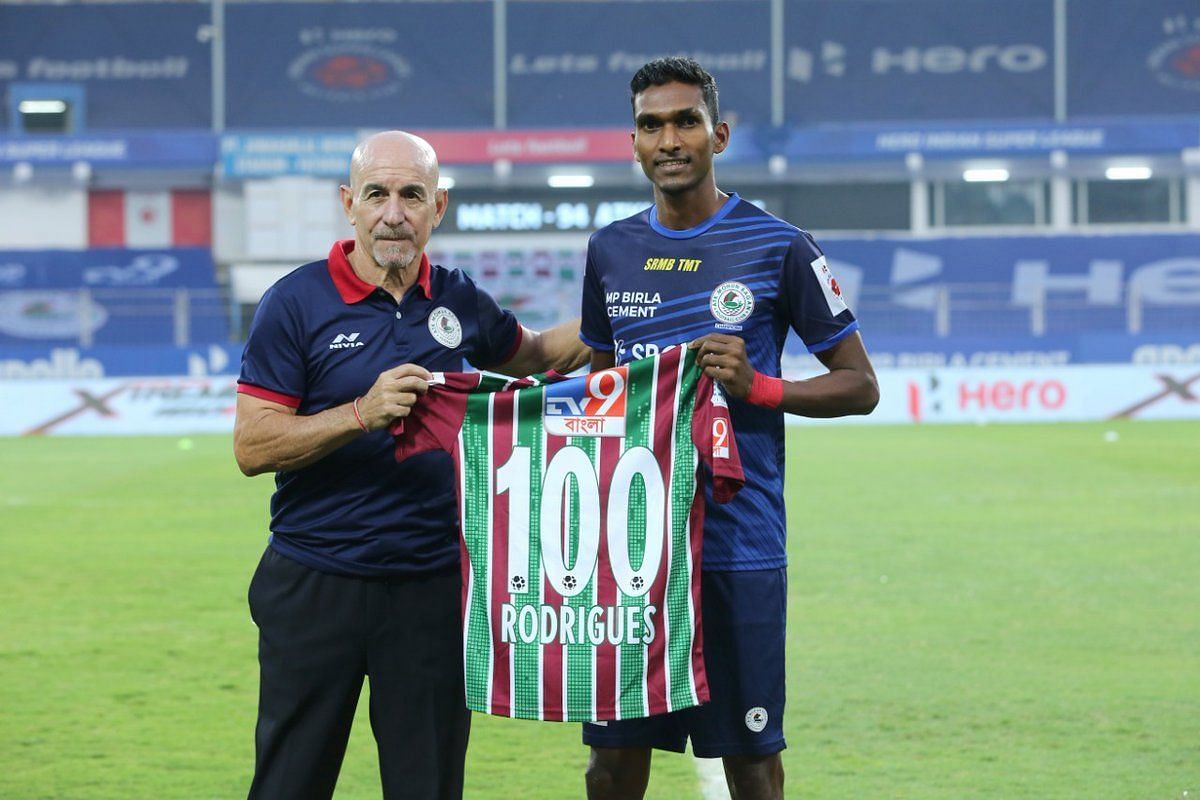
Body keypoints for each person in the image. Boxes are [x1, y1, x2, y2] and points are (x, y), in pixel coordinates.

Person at [232, 130, 589, 800]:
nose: (393, 212)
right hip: (315, 582)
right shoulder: (296, 302)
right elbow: (253, 446)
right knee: (289, 784)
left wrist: (623, 311)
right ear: (349, 203)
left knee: (427, 788)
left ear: (438, 207)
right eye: (377, 194)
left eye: (411, 195)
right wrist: (360, 413)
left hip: (430, 588)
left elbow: (537, 354)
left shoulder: (457, 299)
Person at [578, 58, 879, 800]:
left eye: (685, 121)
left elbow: (861, 385)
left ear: (719, 134)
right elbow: (595, 386)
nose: (669, 138)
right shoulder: (609, 251)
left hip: (737, 548)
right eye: (653, 124)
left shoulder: (780, 245)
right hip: (633, 553)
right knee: (612, 766)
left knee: (751, 762)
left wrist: (760, 387)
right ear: (634, 142)